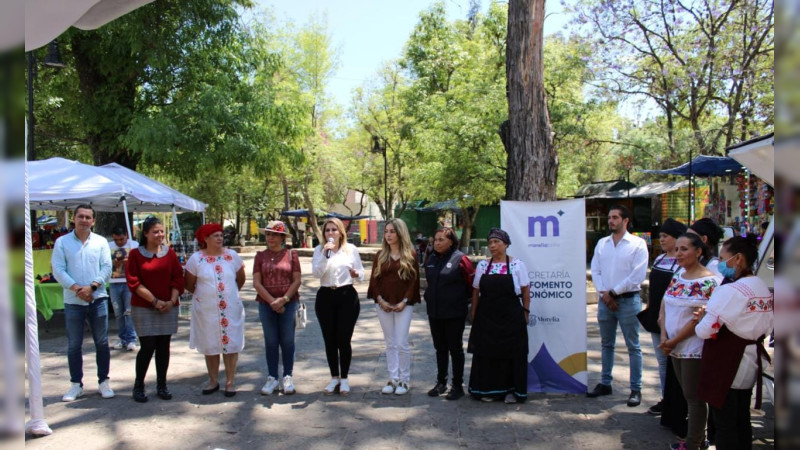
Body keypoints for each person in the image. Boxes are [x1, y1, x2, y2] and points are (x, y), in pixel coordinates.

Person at [695, 235, 774, 450]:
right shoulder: (761, 286)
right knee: (741, 417)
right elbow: (768, 326)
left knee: (725, 422)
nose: (720, 264)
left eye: (723, 259)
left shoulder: (729, 290)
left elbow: (704, 330)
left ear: (738, 259)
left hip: (727, 362)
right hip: (750, 360)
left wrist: (701, 320)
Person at [658, 232, 719, 450]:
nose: (678, 253)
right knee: (687, 394)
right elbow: (665, 305)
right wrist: (664, 336)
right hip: (672, 345)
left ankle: (694, 443)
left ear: (699, 251)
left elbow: (699, 320)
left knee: (694, 398)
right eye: (677, 249)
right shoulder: (678, 276)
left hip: (693, 347)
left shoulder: (710, 281)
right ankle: (697, 440)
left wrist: (673, 340)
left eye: (684, 249)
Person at [51, 204, 114, 401]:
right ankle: (75, 385)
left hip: (98, 298)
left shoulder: (101, 242)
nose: (84, 220)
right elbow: (58, 270)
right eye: (81, 217)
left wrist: (92, 287)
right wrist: (78, 289)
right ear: (74, 219)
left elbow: (107, 267)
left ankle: (103, 382)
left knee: (102, 343)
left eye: (88, 217)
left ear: (93, 221)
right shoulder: (62, 242)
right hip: (73, 300)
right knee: (74, 344)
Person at [588, 204, 648, 407]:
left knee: (633, 346)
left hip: (628, 301)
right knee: (606, 344)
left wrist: (613, 293)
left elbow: (637, 275)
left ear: (625, 220)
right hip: (605, 301)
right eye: (609, 217)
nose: (611, 221)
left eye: (615, 217)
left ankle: (636, 389)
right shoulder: (602, 243)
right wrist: (605, 294)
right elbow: (595, 270)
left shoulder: (637, 244)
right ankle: (605, 383)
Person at [467, 227, 530, 404]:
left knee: (512, 353)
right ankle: (489, 390)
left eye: (497, 242)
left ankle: (512, 391)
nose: (492, 246)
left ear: (506, 244)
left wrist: (526, 312)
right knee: (487, 353)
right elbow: (476, 290)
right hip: (487, 317)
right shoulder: (483, 265)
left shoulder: (517, 265)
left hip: (511, 317)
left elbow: (526, 290)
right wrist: (474, 314)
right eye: (490, 242)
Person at [126, 216, 185, 403]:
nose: (160, 234)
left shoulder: (170, 254)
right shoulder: (135, 255)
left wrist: (171, 301)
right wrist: (154, 301)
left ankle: (162, 385)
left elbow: (178, 278)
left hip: (168, 307)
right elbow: (134, 282)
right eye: (155, 232)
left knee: (163, 346)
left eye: (161, 231)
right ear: (145, 234)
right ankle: (139, 386)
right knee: (148, 346)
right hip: (144, 306)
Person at [185, 223, 246, 397]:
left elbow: (240, 279)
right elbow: (189, 284)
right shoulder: (196, 259)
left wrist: (229, 295)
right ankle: (213, 380)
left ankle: (230, 381)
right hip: (206, 310)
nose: (220, 238)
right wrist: (207, 296)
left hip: (230, 308)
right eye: (215, 235)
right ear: (205, 239)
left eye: (221, 235)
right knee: (210, 343)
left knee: (231, 343)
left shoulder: (232, 256)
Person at [311, 217, 365, 395]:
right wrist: (325, 255)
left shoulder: (350, 249)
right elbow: (316, 273)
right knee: (330, 339)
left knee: (343, 339)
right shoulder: (319, 250)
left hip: (346, 296)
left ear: (341, 232)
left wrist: (357, 274)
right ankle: (334, 377)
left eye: (334, 230)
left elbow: (361, 272)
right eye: (327, 230)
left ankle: (345, 378)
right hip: (325, 296)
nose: (330, 233)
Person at [639, 218, 687, 415]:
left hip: (674, 320)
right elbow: (652, 287)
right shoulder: (659, 259)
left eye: (666, 236)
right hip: (656, 318)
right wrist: (650, 307)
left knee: (676, 361)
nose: (662, 240)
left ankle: (679, 401)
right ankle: (666, 398)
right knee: (662, 361)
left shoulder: (682, 264)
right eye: (661, 236)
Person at [368, 218, 421, 396]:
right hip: (383, 303)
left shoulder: (410, 255)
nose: (388, 235)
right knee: (390, 343)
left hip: (403, 304)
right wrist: (380, 300)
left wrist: (404, 301)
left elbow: (413, 282)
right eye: (386, 231)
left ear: (400, 233)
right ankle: (393, 378)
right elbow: (374, 281)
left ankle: (404, 380)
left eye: (392, 231)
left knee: (401, 343)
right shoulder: (380, 255)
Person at [423, 227, 474, 400]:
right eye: (435, 240)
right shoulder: (431, 259)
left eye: (441, 240)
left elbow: (471, 283)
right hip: (435, 312)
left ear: (451, 242)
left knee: (455, 349)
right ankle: (441, 383)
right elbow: (430, 282)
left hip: (454, 313)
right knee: (440, 348)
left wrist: (460, 300)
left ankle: (457, 385)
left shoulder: (461, 259)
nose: (437, 243)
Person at [253, 220, 302, 395]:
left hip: (289, 303)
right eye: (268, 234)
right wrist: (272, 301)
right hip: (266, 304)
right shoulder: (260, 256)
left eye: (274, 234)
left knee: (288, 341)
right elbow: (257, 282)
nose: (270, 238)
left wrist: (284, 299)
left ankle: (288, 375)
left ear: (282, 237)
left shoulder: (291, 255)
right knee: (271, 341)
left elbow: (297, 280)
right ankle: (272, 377)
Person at [109, 226, 139, 352]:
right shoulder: (108, 246)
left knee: (129, 311)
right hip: (114, 282)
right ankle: (122, 339)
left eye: (121, 239)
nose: (119, 242)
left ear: (126, 235)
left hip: (129, 283)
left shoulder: (134, 245)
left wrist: (128, 261)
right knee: (118, 312)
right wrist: (112, 263)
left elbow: (139, 262)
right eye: (116, 240)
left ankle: (131, 339)